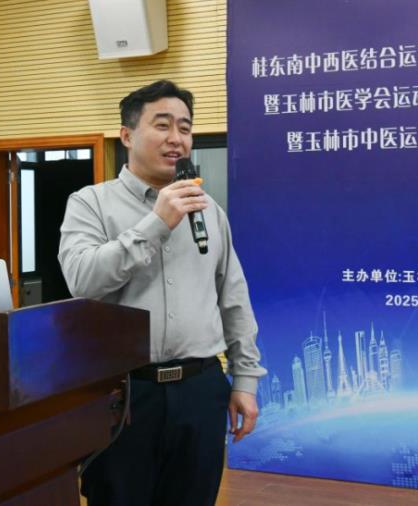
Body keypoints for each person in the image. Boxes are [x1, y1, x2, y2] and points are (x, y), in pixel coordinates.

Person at [58, 79, 265, 506]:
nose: (177, 139)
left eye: (185, 128)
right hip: (123, 396)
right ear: (127, 135)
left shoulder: (210, 212)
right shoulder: (90, 203)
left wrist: (244, 380)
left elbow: (233, 299)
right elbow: (83, 279)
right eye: (163, 125)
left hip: (200, 389)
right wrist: (156, 223)